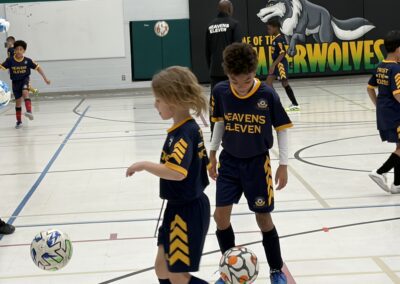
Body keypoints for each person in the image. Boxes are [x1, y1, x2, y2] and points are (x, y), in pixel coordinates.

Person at [209, 42, 292, 284]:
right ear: (228, 76)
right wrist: (212, 153)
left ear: (254, 73)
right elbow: (220, 122)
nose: (241, 87)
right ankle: (229, 270)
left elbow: (282, 129)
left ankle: (277, 270)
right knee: (220, 217)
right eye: (235, 82)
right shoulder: (221, 92)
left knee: (263, 219)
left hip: (257, 165)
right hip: (229, 163)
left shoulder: (267, 94)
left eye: (246, 81)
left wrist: (283, 164)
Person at [126, 66, 211, 284]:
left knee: (177, 275)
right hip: (177, 207)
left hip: (188, 211)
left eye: (158, 100)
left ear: (172, 101)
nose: (155, 104)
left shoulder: (184, 133)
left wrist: (144, 165)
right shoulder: (183, 129)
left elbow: (177, 172)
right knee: (162, 269)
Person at [367, 30, 400, 194]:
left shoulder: (380, 66)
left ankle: (397, 184)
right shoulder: (396, 69)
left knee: (399, 146)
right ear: (398, 49)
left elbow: (369, 87)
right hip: (396, 114)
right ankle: (379, 172)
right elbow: (398, 94)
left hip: (385, 114)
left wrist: (378, 105)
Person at [206, 0, 242, 132]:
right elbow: (238, 48)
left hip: (215, 70)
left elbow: (207, 51)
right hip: (231, 70)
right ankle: (233, 129)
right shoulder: (234, 24)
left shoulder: (210, 26)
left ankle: (213, 130)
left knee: (214, 102)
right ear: (229, 9)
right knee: (234, 99)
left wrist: (211, 68)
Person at [0, 40, 50, 129]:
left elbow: (38, 68)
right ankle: (19, 122)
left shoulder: (28, 61)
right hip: (15, 83)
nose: (19, 51)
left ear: (24, 51)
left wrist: (45, 78)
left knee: (25, 92)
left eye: (21, 49)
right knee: (18, 103)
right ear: (14, 50)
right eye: (17, 49)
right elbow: (1, 66)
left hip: (25, 80)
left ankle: (29, 111)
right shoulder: (10, 60)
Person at [266, 19, 300, 112]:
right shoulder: (275, 38)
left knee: (284, 83)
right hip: (277, 64)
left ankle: (295, 104)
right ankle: (275, 103)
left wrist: (273, 65)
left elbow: (282, 53)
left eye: (269, 29)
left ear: (275, 28)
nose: (268, 31)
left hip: (280, 65)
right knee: (268, 83)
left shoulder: (279, 39)